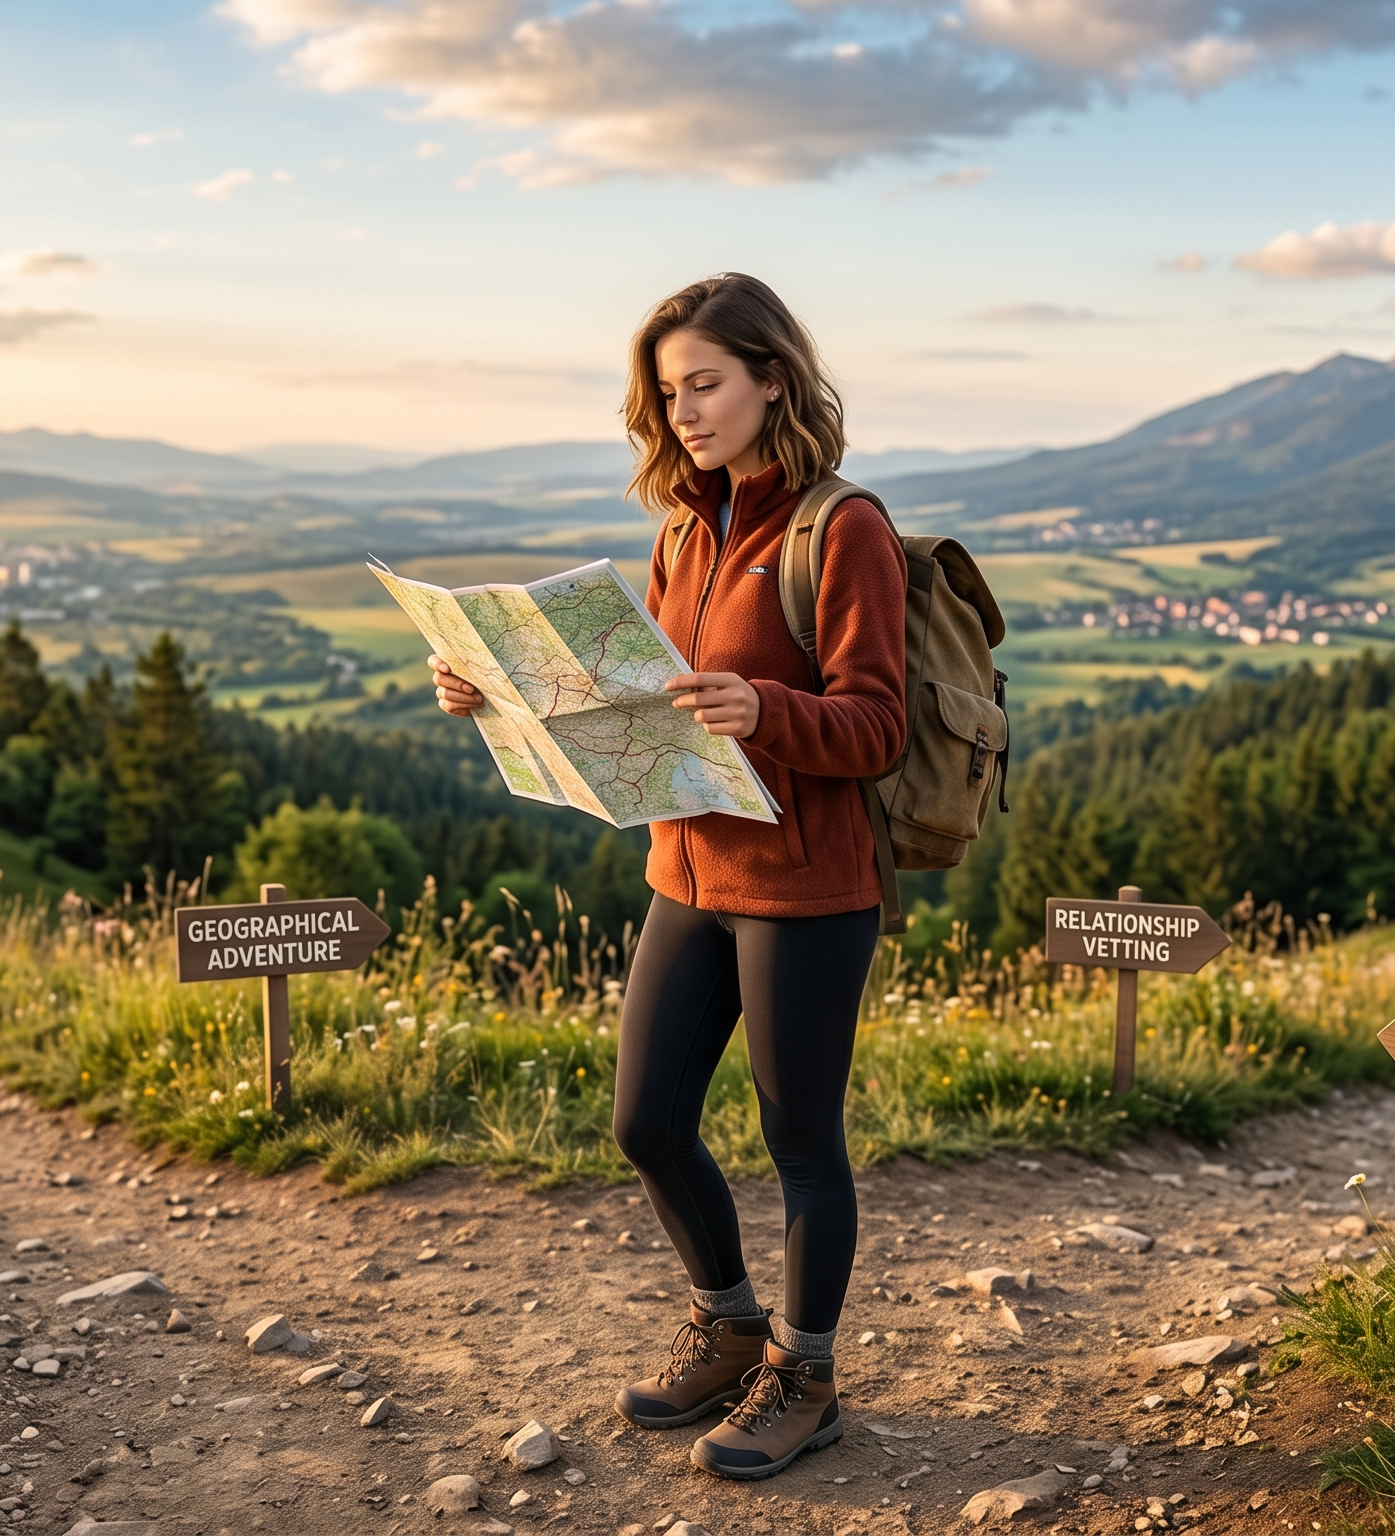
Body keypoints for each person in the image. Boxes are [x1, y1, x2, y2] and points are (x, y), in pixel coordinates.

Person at [430, 274, 906, 1480]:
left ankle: (805, 1377)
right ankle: (730, 1322)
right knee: (644, 1121)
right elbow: (634, 700)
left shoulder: (839, 529)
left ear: (771, 382)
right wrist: (501, 693)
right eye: (665, 392)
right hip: (686, 869)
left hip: (806, 887)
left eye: (704, 384)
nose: (683, 411)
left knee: (802, 1142)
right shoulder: (682, 530)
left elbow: (875, 729)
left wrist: (767, 708)